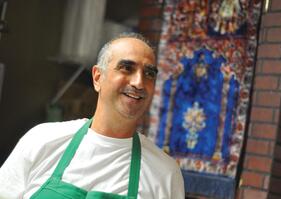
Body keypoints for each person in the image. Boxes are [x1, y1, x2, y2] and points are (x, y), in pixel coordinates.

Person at [0, 33, 185, 199]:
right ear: (98, 78)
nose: (139, 82)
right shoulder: (41, 140)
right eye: (127, 68)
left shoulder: (165, 174)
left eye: (149, 74)